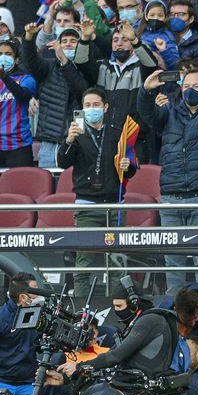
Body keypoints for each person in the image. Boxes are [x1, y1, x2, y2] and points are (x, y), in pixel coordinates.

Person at [138, 37, 198, 290]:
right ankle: (172, 310)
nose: (190, 89)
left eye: (196, 85)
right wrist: (147, 91)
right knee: (174, 261)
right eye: (186, 84)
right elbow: (147, 115)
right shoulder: (169, 112)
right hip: (171, 198)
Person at [55, 283, 180, 395]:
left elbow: (115, 356)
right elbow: (109, 359)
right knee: (89, 394)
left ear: (134, 303)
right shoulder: (138, 322)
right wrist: (64, 377)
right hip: (132, 389)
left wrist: (79, 366)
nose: (116, 311)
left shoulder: (151, 320)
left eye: (119, 306)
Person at [58, 88, 135, 300]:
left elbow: (132, 166)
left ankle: (118, 306)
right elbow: (62, 163)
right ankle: (82, 307)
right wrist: (69, 140)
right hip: (87, 206)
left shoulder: (117, 131)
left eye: (96, 105)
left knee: (117, 262)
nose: (92, 109)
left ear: (105, 107)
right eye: (87, 106)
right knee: (84, 263)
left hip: (115, 205)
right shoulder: (76, 132)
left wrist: (127, 165)